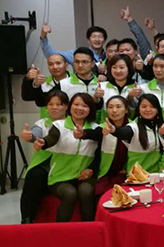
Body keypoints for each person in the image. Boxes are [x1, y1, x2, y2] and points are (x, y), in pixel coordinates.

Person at [35, 93, 101, 222]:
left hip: (84, 177)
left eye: (84, 105)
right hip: (60, 177)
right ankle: (59, 229)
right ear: (70, 107)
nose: (79, 108)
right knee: (70, 193)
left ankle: (89, 227)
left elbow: (99, 155)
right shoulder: (59, 125)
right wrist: (43, 142)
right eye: (76, 104)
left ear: (90, 109)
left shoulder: (96, 129)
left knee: (86, 191)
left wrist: (91, 170)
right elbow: (52, 138)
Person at [19, 90, 69, 223]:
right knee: (34, 176)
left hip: (66, 165)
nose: (54, 107)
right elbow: (35, 135)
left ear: (66, 106)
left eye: (59, 104)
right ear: (46, 107)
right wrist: (30, 136)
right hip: (44, 164)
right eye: (50, 104)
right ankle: (27, 219)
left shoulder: (72, 123)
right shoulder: (42, 123)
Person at [103, 93, 163, 173]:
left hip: (159, 174)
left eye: (152, 107)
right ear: (138, 109)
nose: (148, 109)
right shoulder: (133, 127)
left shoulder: (161, 126)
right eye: (144, 106)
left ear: (158, 109)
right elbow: (124, 133)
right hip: (137, 176)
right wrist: (114, 130)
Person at [95, 95, 130, 197]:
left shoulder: (133, 127)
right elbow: (91, 134)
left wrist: (127, 168)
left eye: (118, 107)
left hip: (127, 173)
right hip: (105, 173)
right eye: (110, 107)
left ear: (126, 110)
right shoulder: (102, 128)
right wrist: (82, 134)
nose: (114, 110)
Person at [21, 54, 70, 118]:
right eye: (50, 64)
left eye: (58, 63)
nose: (55, 67)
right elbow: (27, 97)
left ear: (66, 65)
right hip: (47, 122)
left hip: (72, 123)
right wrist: (29, 79)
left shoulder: (77, 82)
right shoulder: (43, 82)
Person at [40, 23, 107, 65]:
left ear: (104, 40)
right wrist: (43, 37)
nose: (97, 39)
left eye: (100, 37)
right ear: (88, 40)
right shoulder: (78, 54)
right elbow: (51, 55)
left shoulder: (108, 55)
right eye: (94, 37)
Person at [99, 55, 140, 121]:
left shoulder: (137, 88)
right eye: (114, 67)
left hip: (130, 125)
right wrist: (96, 97)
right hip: (106, 125)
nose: (118, 71)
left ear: (129, 68)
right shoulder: (102, 87)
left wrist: (130, 98)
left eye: (122, 67)